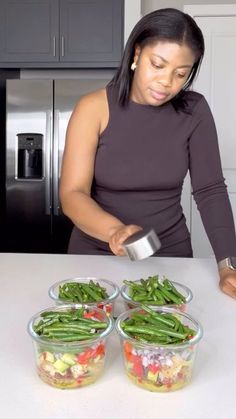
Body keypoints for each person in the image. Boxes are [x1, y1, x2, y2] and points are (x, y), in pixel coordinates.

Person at [59, 8, 236, 299]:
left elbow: (210, 190)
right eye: (158, 65)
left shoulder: (195, 111)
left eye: (181, 73)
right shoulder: (93, 108)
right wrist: (115, 232)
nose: (167, 82)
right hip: (95, 253)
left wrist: (228, 264)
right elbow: (73, 193)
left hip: (170, 255)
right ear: (137, 54)